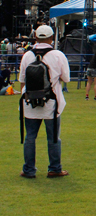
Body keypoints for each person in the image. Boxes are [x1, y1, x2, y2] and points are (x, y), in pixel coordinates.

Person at [19, 25, 70, 178]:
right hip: (51, 103)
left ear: (35, 37)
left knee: (30, 137)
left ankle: (29, 169)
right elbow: (66, 78)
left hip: (30, 103)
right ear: (51, 37)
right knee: (53, 137)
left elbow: (22, 80)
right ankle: (54, 168)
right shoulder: (58, 55)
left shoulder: (27, 55)